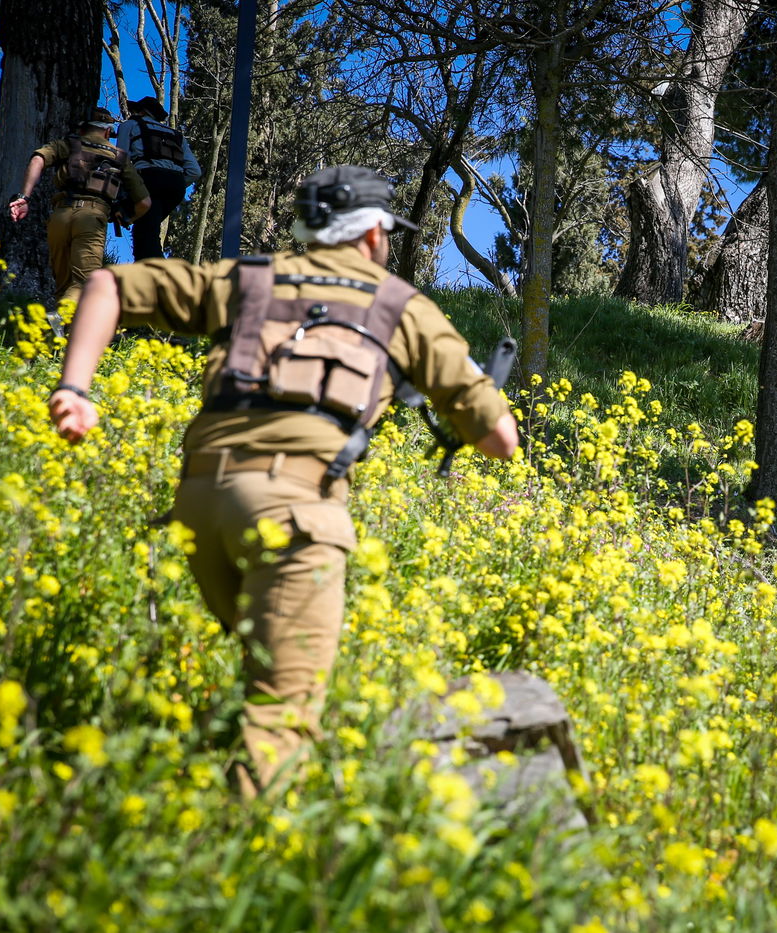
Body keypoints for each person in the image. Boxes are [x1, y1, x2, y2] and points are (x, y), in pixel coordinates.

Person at [46, 164, 519, 796]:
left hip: (200, 508)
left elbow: (105, 283)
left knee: (261, 668)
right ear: (375, 236)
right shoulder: (403, 308)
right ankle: (250, 860)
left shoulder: (251, 280)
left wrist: (75, 390)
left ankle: (187, 785)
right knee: (282, 720)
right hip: (292, 514)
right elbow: (500, 442)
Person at [9, 107, 151, 304]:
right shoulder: (120, 157)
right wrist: (126, 217)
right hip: (92, 218)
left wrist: (24, 197)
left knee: (64, 285)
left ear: (83, 129)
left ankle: (59, 331)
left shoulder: (69, 144)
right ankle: (59, 320)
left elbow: (38, 159)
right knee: (84, 283)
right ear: (108, 132)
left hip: (59, 217)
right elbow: (144, 202)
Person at [116, 96, 201, 260]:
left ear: (141, 111)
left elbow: (120, 159)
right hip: (176, 186)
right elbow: (195, 171)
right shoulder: (176, 135)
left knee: (145, 234)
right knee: (147, 231)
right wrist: (175, 182)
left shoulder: (130, 125)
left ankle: (159, 276)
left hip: (148, 181)